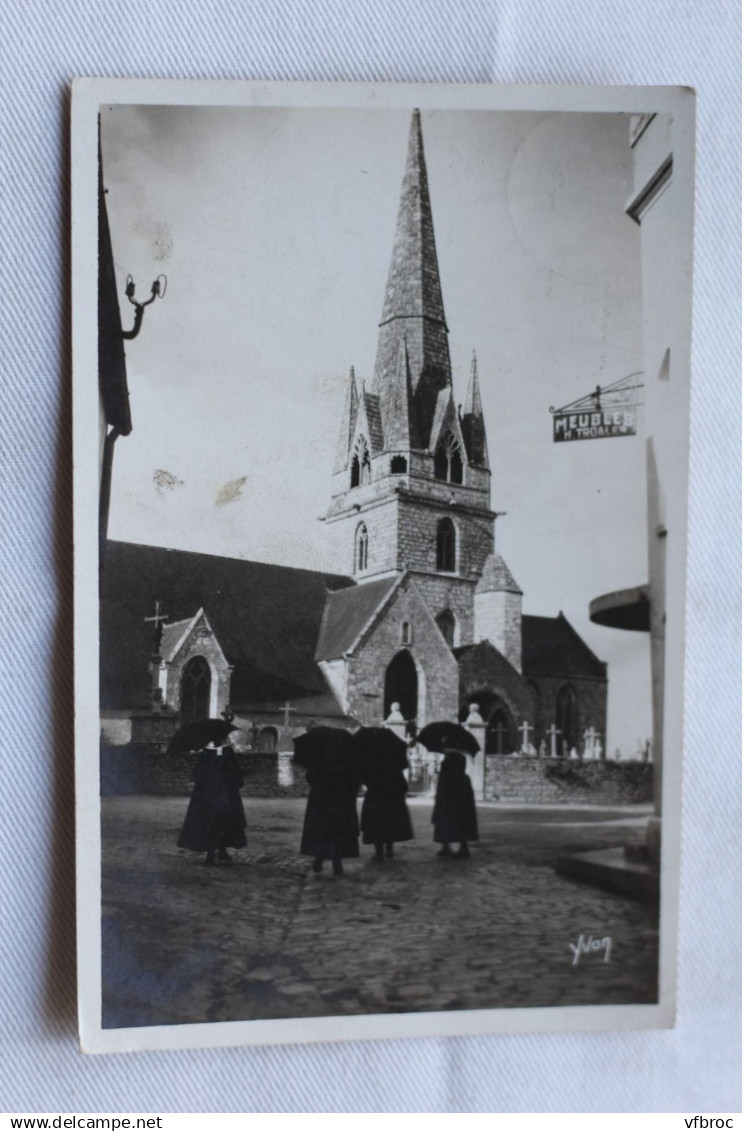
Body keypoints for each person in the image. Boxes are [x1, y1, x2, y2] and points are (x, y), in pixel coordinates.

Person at [297, 727, 360, 876]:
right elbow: (355, 781)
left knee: (321, 829)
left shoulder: (319, 760)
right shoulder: (347, 760)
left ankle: (319, 858)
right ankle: (337, 861)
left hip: (320, 800)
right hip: (341, 800)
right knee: (338, 830)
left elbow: (310, 778)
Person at [177, 739, 247, 865]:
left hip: (209, 796)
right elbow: (236, 773)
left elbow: (196, 773)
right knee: (221, 822)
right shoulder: (226, 753)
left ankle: (218, 851)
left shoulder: (206, 754)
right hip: (223, 796)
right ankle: (215, 852)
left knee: (212, 823)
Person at [359, 742, 414, 862]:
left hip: (375, 799)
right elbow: (403, 786)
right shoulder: (394, 766)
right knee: (390, 824)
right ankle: (389, 849)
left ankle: (379, 853)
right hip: (392, 799)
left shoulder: (372, 765)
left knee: (376, 825)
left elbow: (366, 780)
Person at [431, 749, 478, 859]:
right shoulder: (464, 778)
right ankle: (462, 848)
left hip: (448, 807)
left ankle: (448, 847)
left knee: (445, 824)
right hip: (461, 808)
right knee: (461, 826)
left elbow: (441, 793)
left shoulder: (446, 778)